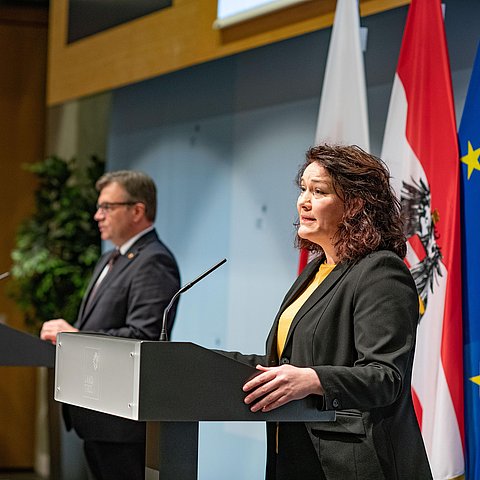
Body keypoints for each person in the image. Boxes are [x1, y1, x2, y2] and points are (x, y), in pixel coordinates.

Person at [230, 145, 432, 479]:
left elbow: (385, 377)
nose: (303, 201)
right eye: (303, 189)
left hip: (354, 464)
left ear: (354, 205)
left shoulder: (381, 271)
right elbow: (288, 363)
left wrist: (313, 379)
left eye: (318, 191)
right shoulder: (315, 271)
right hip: (297, 455)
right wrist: (198, 359)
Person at [40, 170, 180, 480]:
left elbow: (144, 337)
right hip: (96, 412)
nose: (96, 215)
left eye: (106, 207)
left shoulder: (154, 261)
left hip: (121, 421)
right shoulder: (111, 259)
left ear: (137, 210)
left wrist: (74, 337)